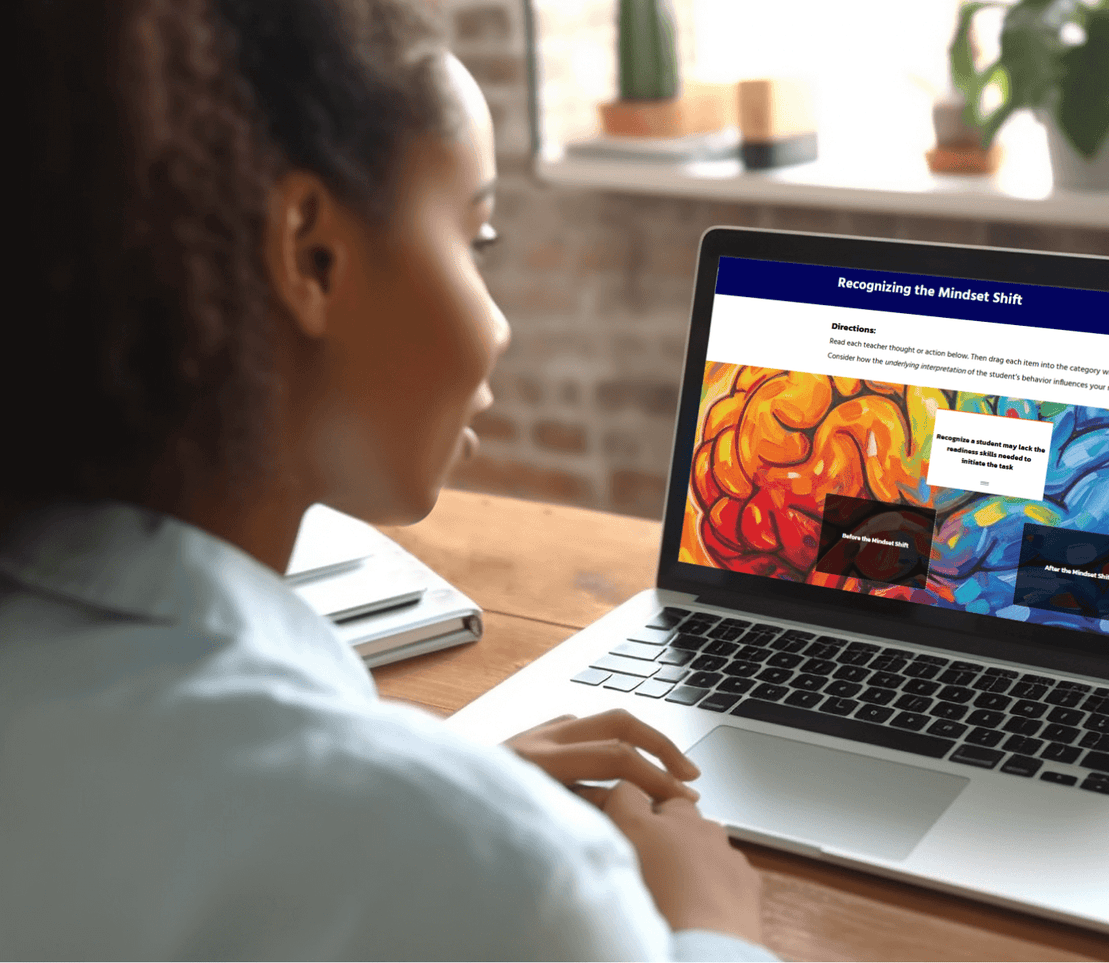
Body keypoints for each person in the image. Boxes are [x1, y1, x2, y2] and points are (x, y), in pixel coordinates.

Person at [1, 0, 771, 958]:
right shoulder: (515, 879)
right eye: (476, 235)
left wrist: (426, 781)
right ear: (311, 256)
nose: (498, 326)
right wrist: (710, 924)